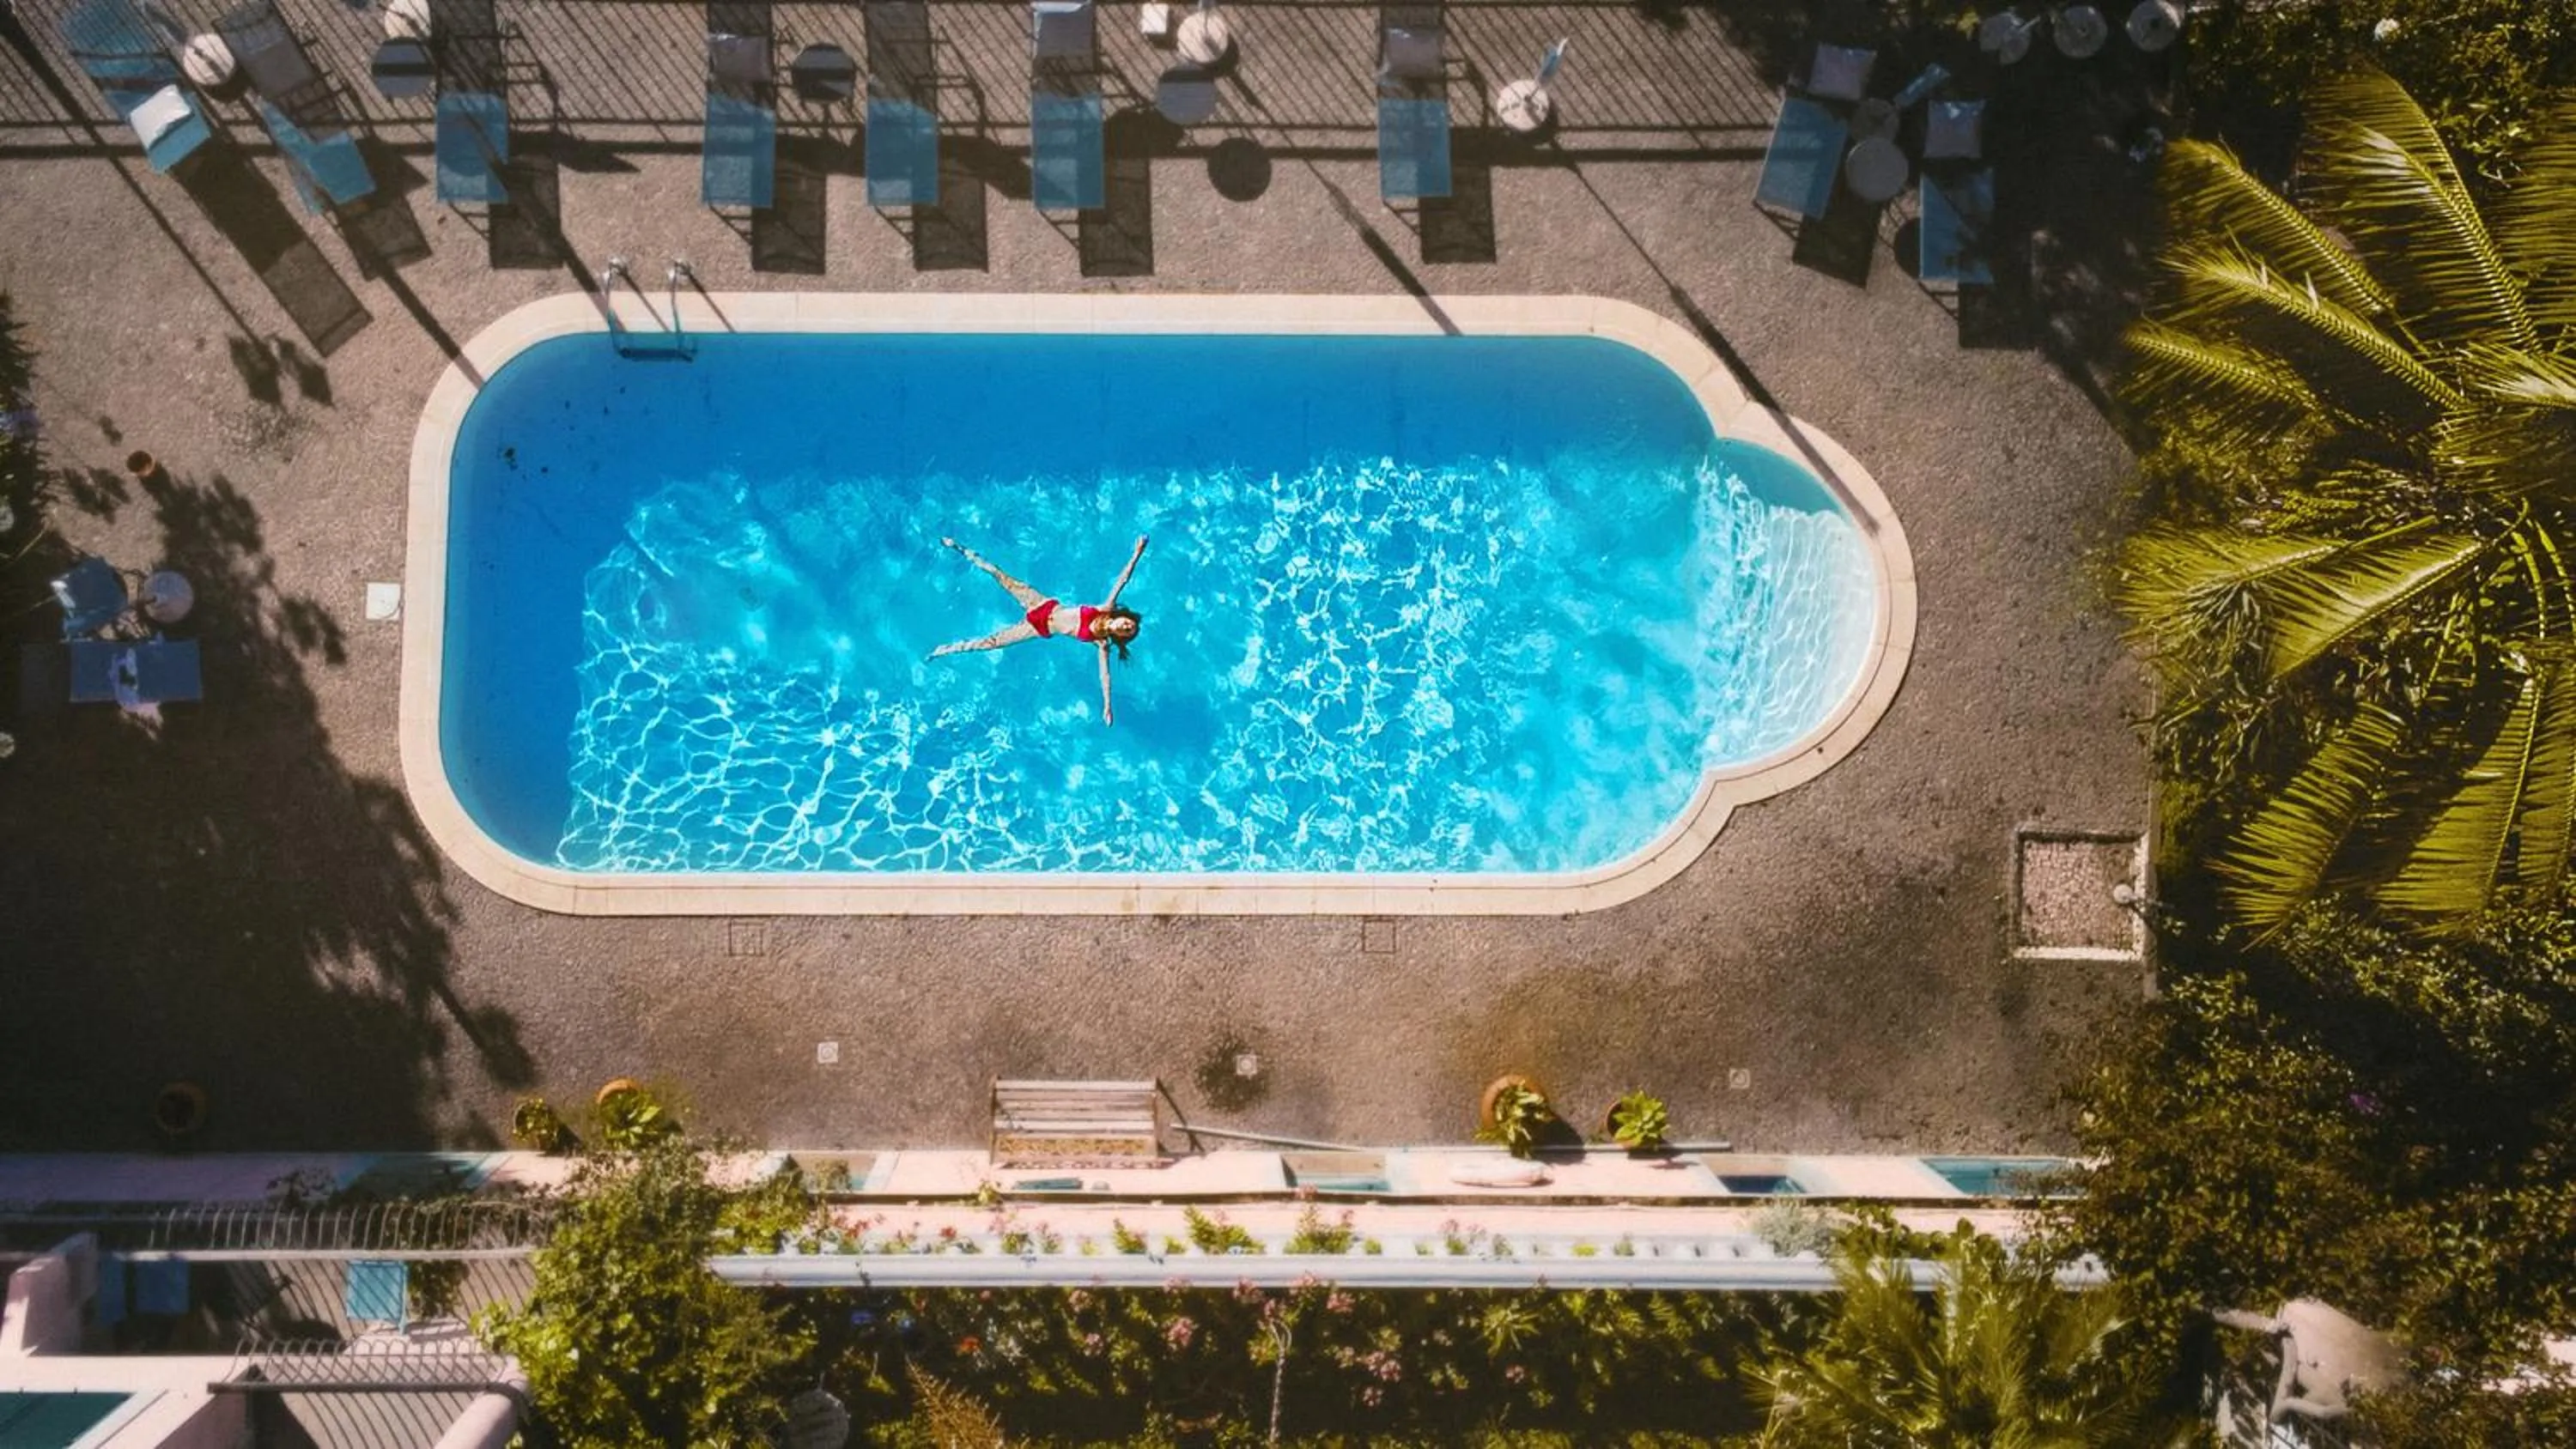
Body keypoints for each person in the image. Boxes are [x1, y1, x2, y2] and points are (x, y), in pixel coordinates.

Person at [930, 535, 1149, 725]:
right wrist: (1137, 553)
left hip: (1037, 627)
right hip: (1040, 603)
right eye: (1129, 623)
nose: (1127, 626)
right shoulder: (1105, 609)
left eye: (1128, 631)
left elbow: (1105, 675)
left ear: (1121, 636)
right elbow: (1122, 581)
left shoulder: (1101, 643)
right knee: (999, 575)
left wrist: (1107, 706)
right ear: (1123, 617)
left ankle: (945, 649)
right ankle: (959, 548)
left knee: (990, 643)